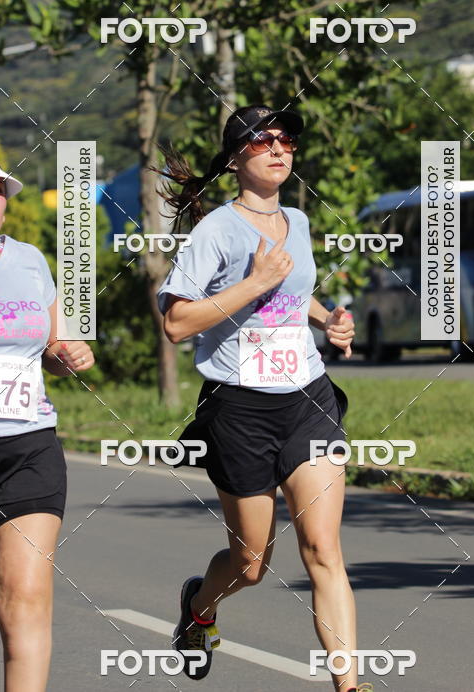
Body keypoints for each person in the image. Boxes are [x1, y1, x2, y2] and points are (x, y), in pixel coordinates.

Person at [157, 105, 372, 692]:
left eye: (286, 139)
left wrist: (329, 319)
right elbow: (176, 323)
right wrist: (253, 282)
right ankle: (199, 607)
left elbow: (291, 295)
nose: (277, 148)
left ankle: (348, 686)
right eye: (260, 140)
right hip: (240, 409)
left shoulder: (297, 221)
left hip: (306, 397)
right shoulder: (216, 231)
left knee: (323, 549)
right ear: (234, 159)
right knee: (251, 565)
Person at [0, 149, 94, 690]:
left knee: (25, 605)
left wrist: (67, 356)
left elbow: (55, 343)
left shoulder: (33, 260)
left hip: (28, 451)